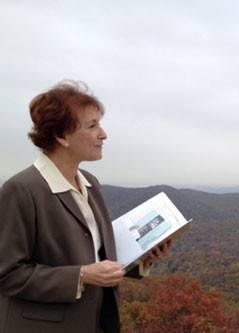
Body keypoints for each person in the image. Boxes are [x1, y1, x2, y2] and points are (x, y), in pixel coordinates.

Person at [0, 81, 171, 333]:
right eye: (92, 126)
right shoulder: (22, 190)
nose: (103, 134)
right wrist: (81, 276)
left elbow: (99, 257)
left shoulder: (90, 183)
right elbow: (7, 275)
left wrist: (143, 258)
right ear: (61, 136)